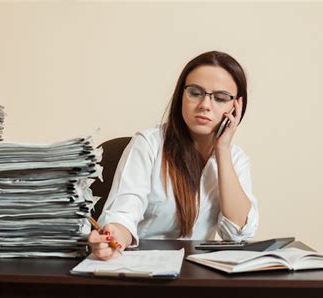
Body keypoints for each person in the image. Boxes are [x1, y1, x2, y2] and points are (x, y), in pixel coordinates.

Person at [89, 51, 259, 260]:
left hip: (196, 274)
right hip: (142, 268)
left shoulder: (235, 158)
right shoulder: (149, 144)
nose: (205, 105)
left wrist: (223, 149)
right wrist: (114, 236)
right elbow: (124, 214)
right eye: (195, 93)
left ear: (235, 106)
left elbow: (239, 232)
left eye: (220, 98)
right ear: (181, 95)